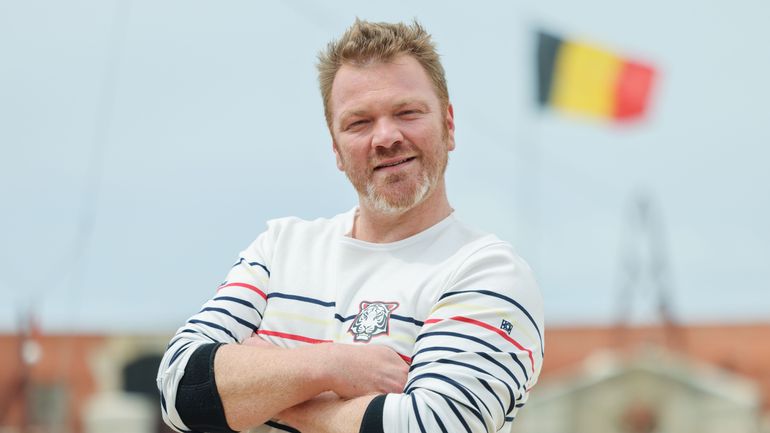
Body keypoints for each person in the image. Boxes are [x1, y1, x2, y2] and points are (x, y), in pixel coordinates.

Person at [157, 19, 544, 433]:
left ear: (448, 125)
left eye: (407, 112)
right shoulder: (280, 248)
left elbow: (434, 425)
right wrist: (331, 365)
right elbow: (179, 389)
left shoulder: (487, 272)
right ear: (336, 149)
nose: (386, 137)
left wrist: (267, 397)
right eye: (359, 122)